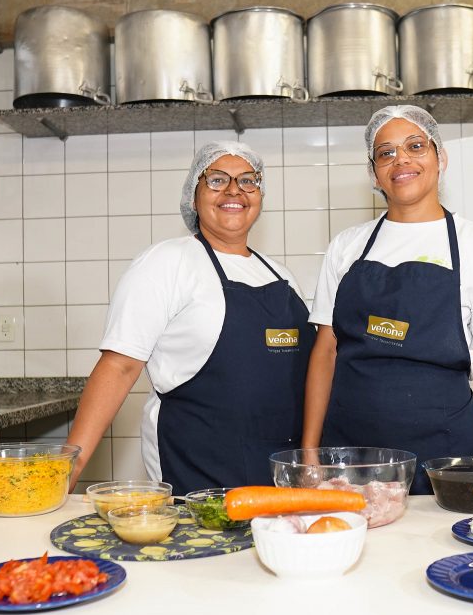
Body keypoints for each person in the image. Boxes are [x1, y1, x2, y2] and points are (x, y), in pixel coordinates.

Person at [302, 105, 473, 508]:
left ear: (439, 158)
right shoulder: (347, 246)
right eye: (386, 152)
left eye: (415, 146)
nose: (401, 160)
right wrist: (309, 452)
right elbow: (326, 351)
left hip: (448, 458)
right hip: (352, 458)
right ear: (374, 172)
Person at [68, 141, 316, 496]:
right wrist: (69, 468)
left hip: (278, 476)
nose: (234, 190)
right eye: (217, 180)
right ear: (194, 197)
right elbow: (119, 367)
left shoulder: (281, 276)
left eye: (248, 180)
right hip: (197, 470)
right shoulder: (167, 262)